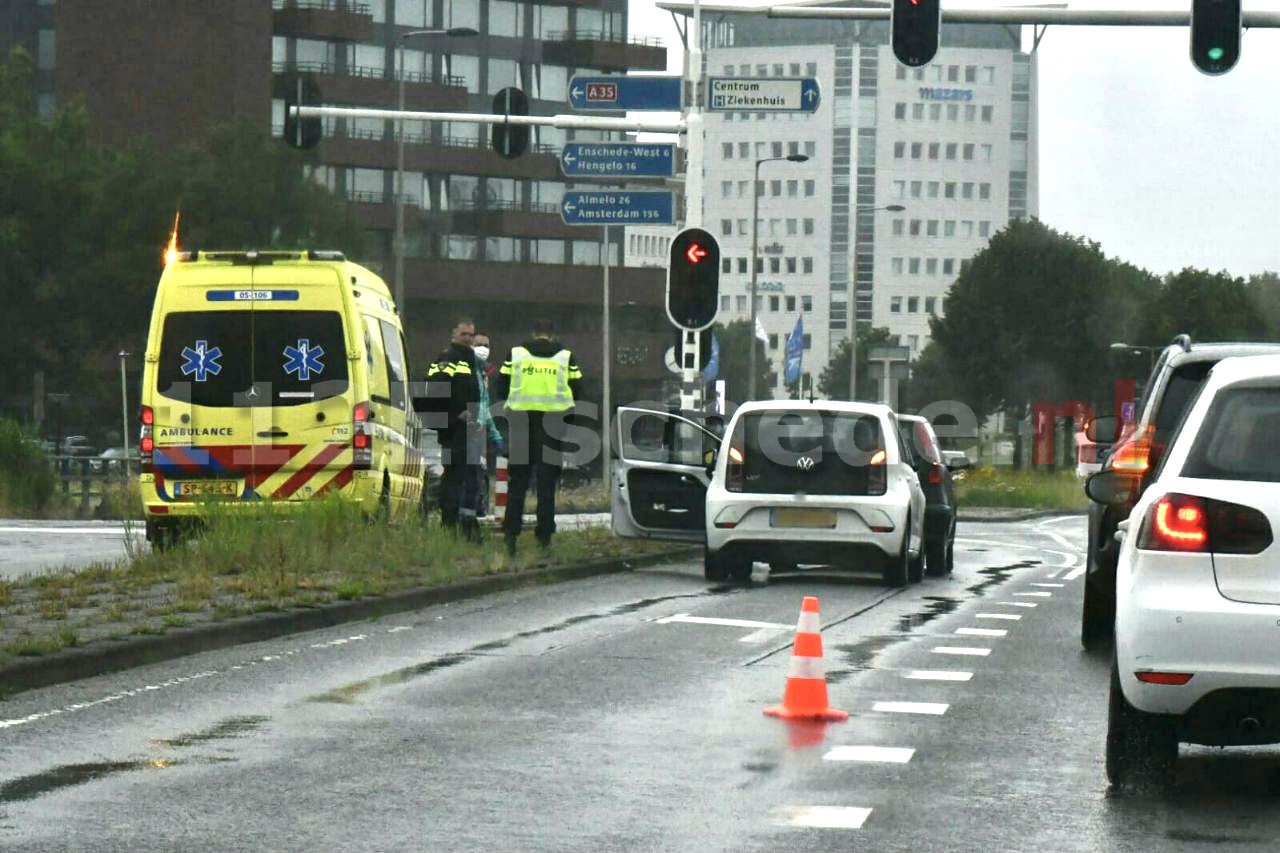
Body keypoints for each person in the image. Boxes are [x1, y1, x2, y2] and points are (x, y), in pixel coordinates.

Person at [493, 318, 583, 555]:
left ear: (534, 333)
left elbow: (501, 385)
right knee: (546, 484)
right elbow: (578, 390)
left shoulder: (516, 354)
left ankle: (511, 534)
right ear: (552, 335)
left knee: (518, 482)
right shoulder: (566, 357)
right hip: (553, 425)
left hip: (522, 422)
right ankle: (544, 536)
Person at [424, 318, 483, 541]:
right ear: (453, 335)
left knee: (469, 476)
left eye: (471, 335)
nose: (467, 338)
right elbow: (435, 391)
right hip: (453, 430)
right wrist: (454, 414)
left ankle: (465, 525)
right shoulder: (448, 358)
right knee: (454, 477)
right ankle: (449, 524)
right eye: (464, 334)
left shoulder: (470, 360)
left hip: (468, 429)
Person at [471, 331, 506, 517]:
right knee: (474, 471)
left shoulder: (484, 373)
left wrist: (494, 434)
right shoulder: (469, 370)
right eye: (479, 344)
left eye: (486, 345)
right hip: (468, 429)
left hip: (479, 431)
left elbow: (485, 407)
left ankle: (478, 508)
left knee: (479, 470)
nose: (483, 349)